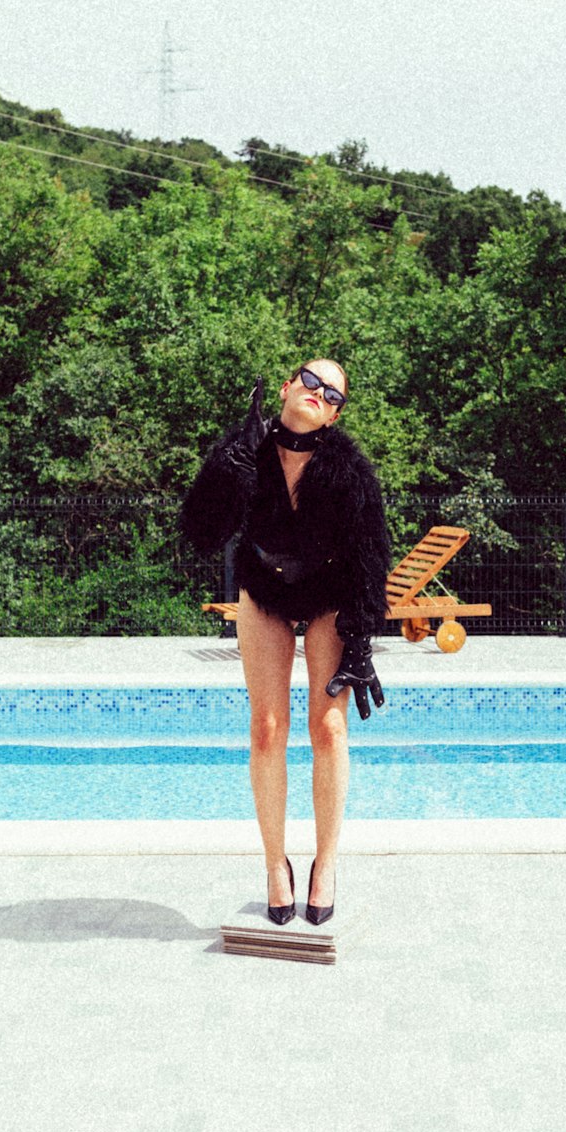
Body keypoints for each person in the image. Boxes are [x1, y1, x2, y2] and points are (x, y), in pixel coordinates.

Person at [180, 359, 390, 925]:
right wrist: (228, 470)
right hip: (264, 584)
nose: (320, 396)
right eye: (313, 382)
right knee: (267, 728)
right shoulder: (244, 449)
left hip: (330, 588)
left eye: (334, 395)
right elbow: (200, 534)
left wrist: (362, 644)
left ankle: (326, 864)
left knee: (329, 727)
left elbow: (372, 556)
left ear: (337, 411)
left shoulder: (347, 469)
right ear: (287, 387)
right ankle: (277, 864)